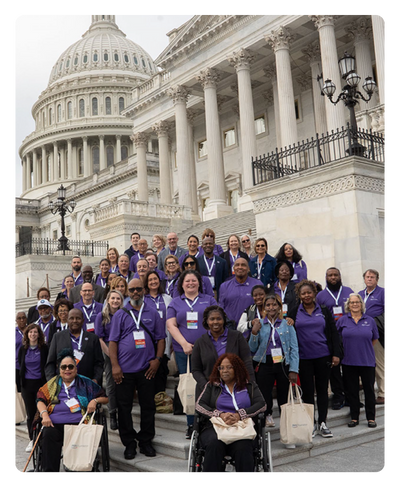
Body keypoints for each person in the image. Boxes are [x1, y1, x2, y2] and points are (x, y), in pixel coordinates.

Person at [109, 278, 166, 459]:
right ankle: (129, 443)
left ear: (144, 290)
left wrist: (157, 359)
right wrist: (115, 366)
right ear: (128, 291)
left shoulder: (152, 312)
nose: (135, 292)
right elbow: (112, 342)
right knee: (123, 407)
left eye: (138, 289)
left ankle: (146, 441)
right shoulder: (120, 314)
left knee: (148, 406)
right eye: (132, 289)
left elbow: (161, 339)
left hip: (146, 368)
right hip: (124, 371)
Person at [36, 348, 108, 475]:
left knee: (82, 437)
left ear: (76, 368)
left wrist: (95, 401)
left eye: (70, 366)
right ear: (59, 369)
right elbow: (40, 399)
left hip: (79, 425)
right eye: (64, 367)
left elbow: (105, 397)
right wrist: (45, 415)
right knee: (48, 434)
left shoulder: (85, 382)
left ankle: (80, 470)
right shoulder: (53, 383)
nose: (67, 370)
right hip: (55, 424)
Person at [195, 353, 266, 475]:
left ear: (237, 369)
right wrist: (220, 414)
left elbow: (262, 404)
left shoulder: (249, 386)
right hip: (216, 427)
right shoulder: (212, 386)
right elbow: (199, 405)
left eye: (229, 367)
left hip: (242, 427)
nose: (224, 371)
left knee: (244, 448)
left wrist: (240, 415)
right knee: (214, 444)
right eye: (221, 368)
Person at [166, 270, 217, 437]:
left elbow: (216, 321)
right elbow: (171, 325)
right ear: (182, 284)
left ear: (199, 283)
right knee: (189, 387)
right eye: (187, 281)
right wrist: (184, 344)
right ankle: (191, 424)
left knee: (208, 385)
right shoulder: (175, 303)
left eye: (194, 280)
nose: (190, 283)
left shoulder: (208, 299)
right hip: (183, 351)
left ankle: (209, 421)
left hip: (207, 350)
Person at [288, 280, 342, 438]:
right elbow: (287, 330)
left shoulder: (324, 310)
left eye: (309, 292)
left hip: (323, 356)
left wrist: (336, 354)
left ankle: (323, 422)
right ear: (299, 295)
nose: (306, 295)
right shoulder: (294, 311)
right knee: (308, 392)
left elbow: (333, 333)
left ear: (314, 294)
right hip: (303, 358)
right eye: (303, 293)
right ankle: (310, 423)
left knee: (323, 390)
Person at [248, 294, 299, 428]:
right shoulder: (260, 324)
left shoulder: (287, 324)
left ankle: (287, 425)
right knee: (264, 394)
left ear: (279, 307)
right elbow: (252, 348)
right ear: (264, 308)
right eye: (268, 305)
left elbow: (294, 348)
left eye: (274, 305)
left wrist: (294, 369)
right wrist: (253, 333)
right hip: (265, 363)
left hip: (283, 363)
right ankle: (265, 418)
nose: (271, 308)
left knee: (284, 395)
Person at [191, 305, 255, 397]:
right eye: (212, 319)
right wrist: (206, 386)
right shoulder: (199, 342)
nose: (215, 322)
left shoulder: (237, 337)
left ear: (224, 320)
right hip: (209, 392)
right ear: (206, 321)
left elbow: (247, 361)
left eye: (219, 319)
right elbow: (196, 370)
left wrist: (251, 384)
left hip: (235, 389)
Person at [336, 294, 379, 428]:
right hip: (349, 362)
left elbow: (374, 339)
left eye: (357, 302)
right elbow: (337, 339)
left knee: (369, 391)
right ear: (348, 305)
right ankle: (354, 417)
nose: (355, 304)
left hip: (367, 361)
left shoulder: (370, 320)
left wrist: (362, 348)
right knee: (352, 391)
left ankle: (371, 418)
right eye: (352, 302)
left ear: (361, 304)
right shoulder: (342, 321)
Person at [316, 267, 354, 409]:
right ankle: (338, 396)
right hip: (331, 335)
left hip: (349, 334)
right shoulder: (320, 296)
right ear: (326, 277)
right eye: (330, 275)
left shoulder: (349, 292)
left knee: (350, 367)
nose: (333, 277)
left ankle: (351, 396)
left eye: (335, 275)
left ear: (340, 276)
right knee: (335, 367)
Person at [45, 308, 104, 384]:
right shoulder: (57, 337)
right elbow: (50, 363)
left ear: (83, 320)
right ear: (67, 320)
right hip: (63, 384)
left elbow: (99, 363)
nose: (75, 321)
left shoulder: (93, 338)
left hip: (86, 384)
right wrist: (52, 382)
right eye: (71, 318)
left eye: (78, 318)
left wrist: (95, 380)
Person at [94, 289, 124, 431]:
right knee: (111, 385)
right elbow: (99, 338)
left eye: (118, 298)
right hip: (107, 353)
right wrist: (111, 355)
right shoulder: (102, 316)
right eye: (113, 298)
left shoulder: (124, 315)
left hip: (124, 353)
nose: (115, 301)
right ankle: (112, 414)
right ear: (108, 300)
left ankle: (123, 412)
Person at [358, 269, 388, 405]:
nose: (369, 279)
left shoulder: (384, 292)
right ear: (364, 279)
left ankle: (384, 392)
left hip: (378, 334)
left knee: (381, 363)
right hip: (361, 335)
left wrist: (371, 323)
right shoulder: (359, 294)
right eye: (367, 277)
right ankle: (361, 383)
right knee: (361, 360)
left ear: (377, 279)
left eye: (372, 277)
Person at [18, 324, 49, 451]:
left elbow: (47, 365)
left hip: (41, 384)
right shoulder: (23, 349)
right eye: (30, 332)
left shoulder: (44, 348)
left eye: (35, 332)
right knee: (31, 413)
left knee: (42, 412)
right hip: (27, 385)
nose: (33, 334)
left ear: (39, 334)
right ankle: (32, 439)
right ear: (27, 334)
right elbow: (21, 365)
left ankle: (43, 438)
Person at [143, 270, 173, 393]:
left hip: (164, 339)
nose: (153, 282)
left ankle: (161, 399)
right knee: (148, 372)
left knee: (161, 370)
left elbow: (172, 321)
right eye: (150, 280)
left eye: (155, 279)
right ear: (146, 283)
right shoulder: (143, 299)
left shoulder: (168, 298)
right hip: (148, 342)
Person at [219, 258, 263, 327]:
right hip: (231, 328)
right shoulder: (224, 286)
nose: (240, 267)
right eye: (237, 265)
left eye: (243, 265)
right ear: (233, 268)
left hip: (251, 327)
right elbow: (221, 308)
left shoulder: (257, 284)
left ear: (248, 269)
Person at [12, 311, 27, 391]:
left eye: (23, 318)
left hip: (28, 366)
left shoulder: (31, 331)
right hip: (15, 366)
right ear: (16, 320)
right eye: (19, 318)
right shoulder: (13, 331)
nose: (22, 320)